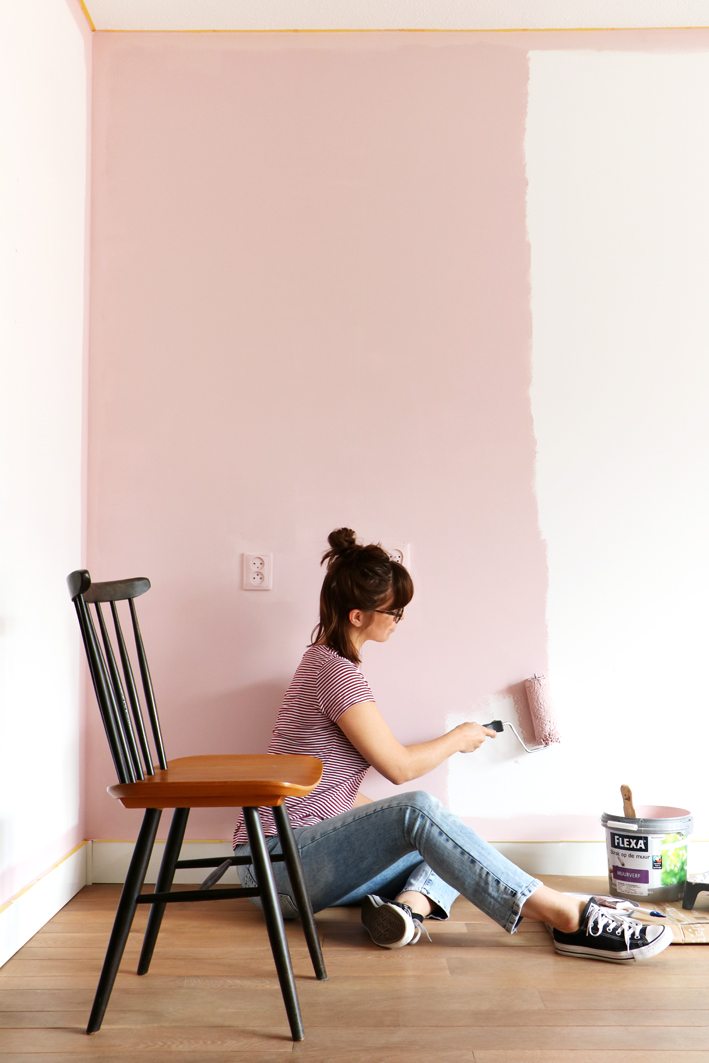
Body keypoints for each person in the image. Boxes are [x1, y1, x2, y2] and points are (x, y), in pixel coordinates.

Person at [233, 528, 671, 963]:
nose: (398, 619)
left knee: (451, 843)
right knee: (419, 810)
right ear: (357, 616)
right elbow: (399, 769)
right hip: (276, 868)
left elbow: (334, 791)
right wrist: (458, 738)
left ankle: (406, 912)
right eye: (394, 611)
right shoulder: (335, 673)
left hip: (300, 858)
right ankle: (567, 916)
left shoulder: (322, 662)